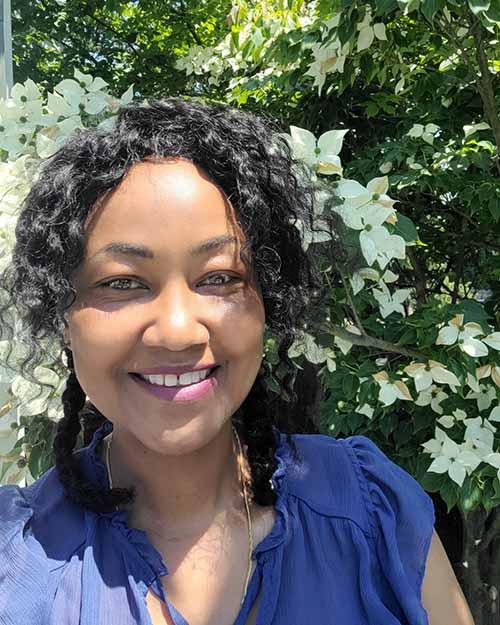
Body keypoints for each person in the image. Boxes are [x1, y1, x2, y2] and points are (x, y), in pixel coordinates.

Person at [0, 98, 474, 625]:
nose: (178, 331)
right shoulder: (14, 565)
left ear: (268, 302)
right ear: (62, 316)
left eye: (220, 277)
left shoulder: (371, 515)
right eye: (122, 283)